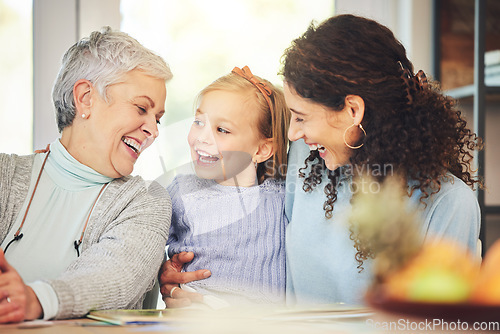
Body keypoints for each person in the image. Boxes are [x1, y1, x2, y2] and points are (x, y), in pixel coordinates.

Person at [160, 14, 482, 307]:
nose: (293, 133)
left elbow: (438, 322)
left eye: (300, 117)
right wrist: (179, 276)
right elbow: (254, 239)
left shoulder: (449, 204)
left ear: (353, 111)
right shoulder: (308, 160)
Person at [0, 27, 173, 323]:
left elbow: (114, 276)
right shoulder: (5, 175)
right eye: (141, 108)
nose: (153, 131)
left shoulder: (146, 202)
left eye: (157, 118)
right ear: (85, 98)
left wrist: (36, 299)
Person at [165, 66, 290, 308]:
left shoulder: (282, 199)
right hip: (193, 318)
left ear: (261, 150)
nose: (202, 137)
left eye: (222, 130)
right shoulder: (182, 190)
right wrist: (164, 267)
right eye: (199, 122)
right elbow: (146, 245)